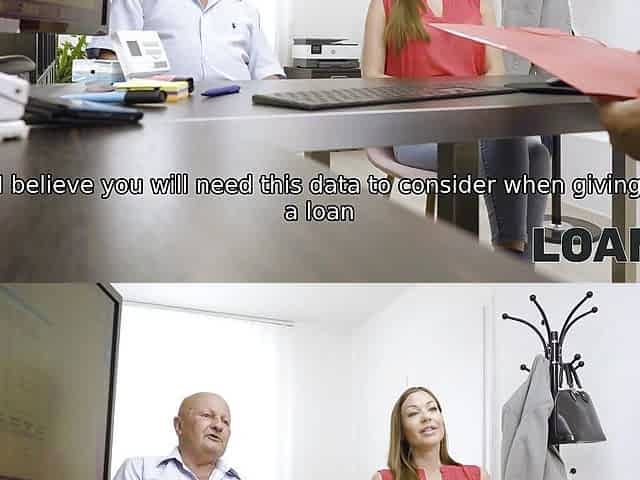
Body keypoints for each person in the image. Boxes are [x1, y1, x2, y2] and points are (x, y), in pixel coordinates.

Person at [361, 0, 551, 261]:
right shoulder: (385, 4)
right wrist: (437, 93)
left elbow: (496, 71)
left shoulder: (480, 4)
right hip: (416, 131)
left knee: (537, 153)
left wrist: (466, 97)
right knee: (510, 145)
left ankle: (518, 268)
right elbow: (371, 76)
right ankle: (510, 263)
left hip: (473, 125)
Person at [87, 0, 284, 81]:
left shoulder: (245, 9)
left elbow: (268, 74)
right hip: (161, 114)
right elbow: (109, 57)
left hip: (238, 117)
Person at [112, 392, 241, 480]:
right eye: (207, 415)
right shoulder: (140, 470)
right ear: (179, 425)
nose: (219, 426)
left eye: (226, 421)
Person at [372, 386, 489, 480]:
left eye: (432, 409)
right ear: (401, 431)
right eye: (413, 413)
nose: (426, 417)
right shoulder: (383, 478)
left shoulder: (477, 476)